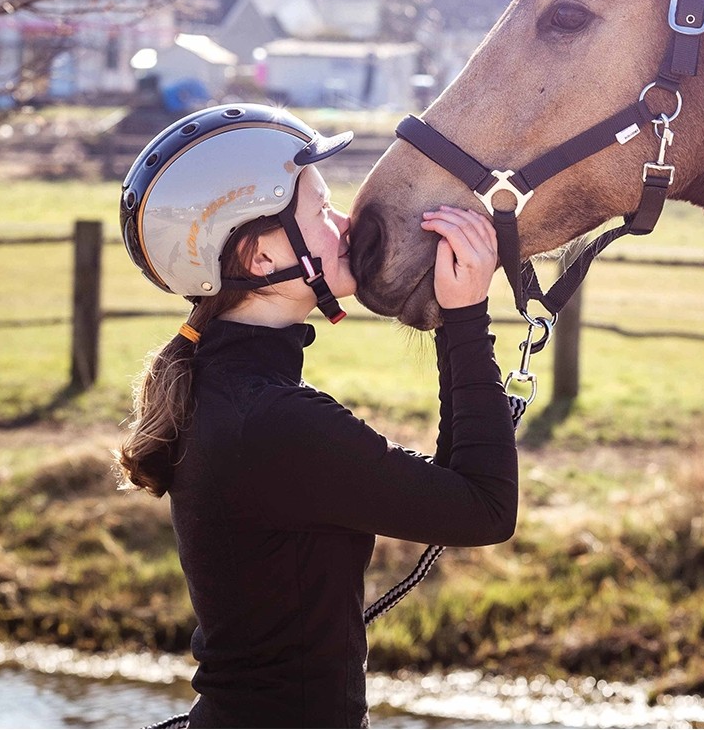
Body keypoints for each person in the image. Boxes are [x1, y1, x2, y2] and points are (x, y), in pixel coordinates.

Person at [115, 103, 517, 728]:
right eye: (320, 209)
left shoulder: (226, 393)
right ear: (255, 256)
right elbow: (484, 508)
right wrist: (463, 318)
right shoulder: (273, 422)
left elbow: (458, 494)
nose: (345, 221)